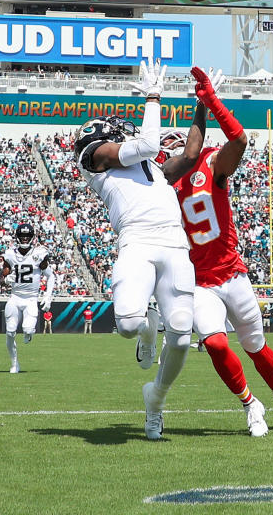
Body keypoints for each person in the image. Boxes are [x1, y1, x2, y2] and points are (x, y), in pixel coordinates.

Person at [159, 66, 273, 436]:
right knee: (217, 344)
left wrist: (210, 102)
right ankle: (250, 405)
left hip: (231, 273)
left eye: (173, 148)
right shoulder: (159, 188)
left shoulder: (209, 163)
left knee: (255, 346)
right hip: (200, 282)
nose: (170, 156)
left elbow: (239, 141)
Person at [74, 58, 195, 440]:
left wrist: (203, 104)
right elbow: (147, 142)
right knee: (127, 324)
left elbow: (189, 156)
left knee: (181, 334)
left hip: (174, 240)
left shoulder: (155, 170)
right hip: (137, 240)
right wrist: (155, 97)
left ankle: (155, 400)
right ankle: (147, 330)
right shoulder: (95, 159)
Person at [0, 222, 55, 373]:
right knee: (10, 331)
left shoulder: (39, 254)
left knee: (28, 329)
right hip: (15, 297)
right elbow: (2, 280)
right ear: (17, 237)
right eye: (22, 236)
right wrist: (6, 280)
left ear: (32, 237)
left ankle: (28, 334)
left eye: (27, 236)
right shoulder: (10, 254)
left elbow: (51, 277)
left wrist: (48, 296)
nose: (24, 239)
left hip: (31, 298)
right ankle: (14, 363)